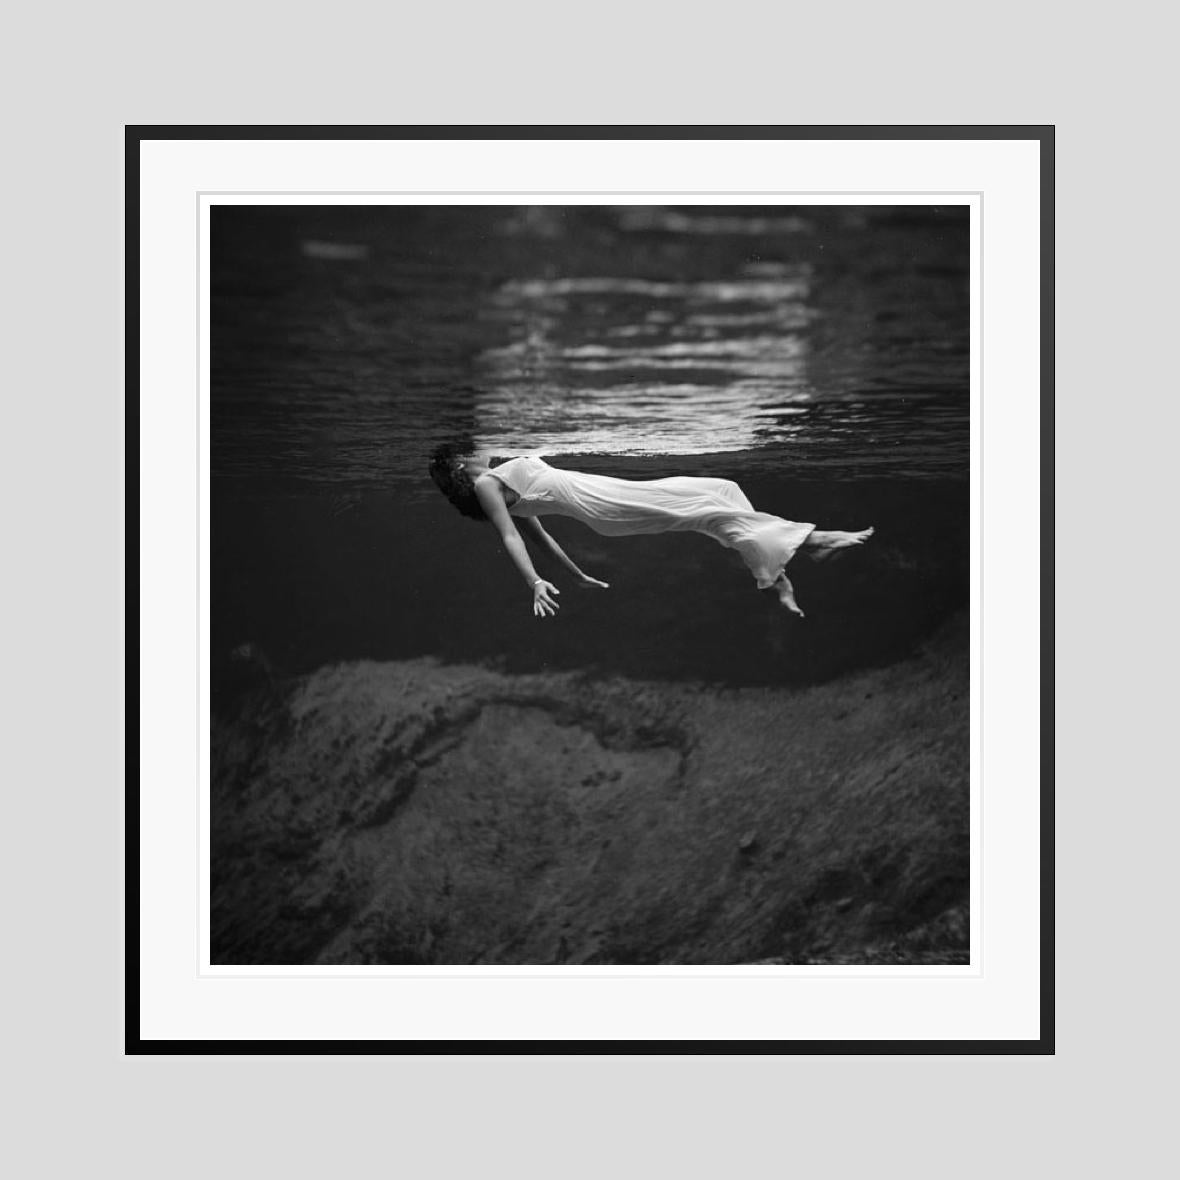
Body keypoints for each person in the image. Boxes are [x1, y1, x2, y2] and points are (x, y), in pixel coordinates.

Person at [428, 444, 873, 619]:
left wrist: (576, 574)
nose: (478, 450)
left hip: (606, 496)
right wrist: (534, 581)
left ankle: (774, 573)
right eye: (467, 454)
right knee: (707, 511)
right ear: (459, 469)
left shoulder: (496, 480)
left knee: (720, 489)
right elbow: (514, 537)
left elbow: (542, 537)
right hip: (604, 505)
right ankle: (812, 542)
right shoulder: (487, 485)